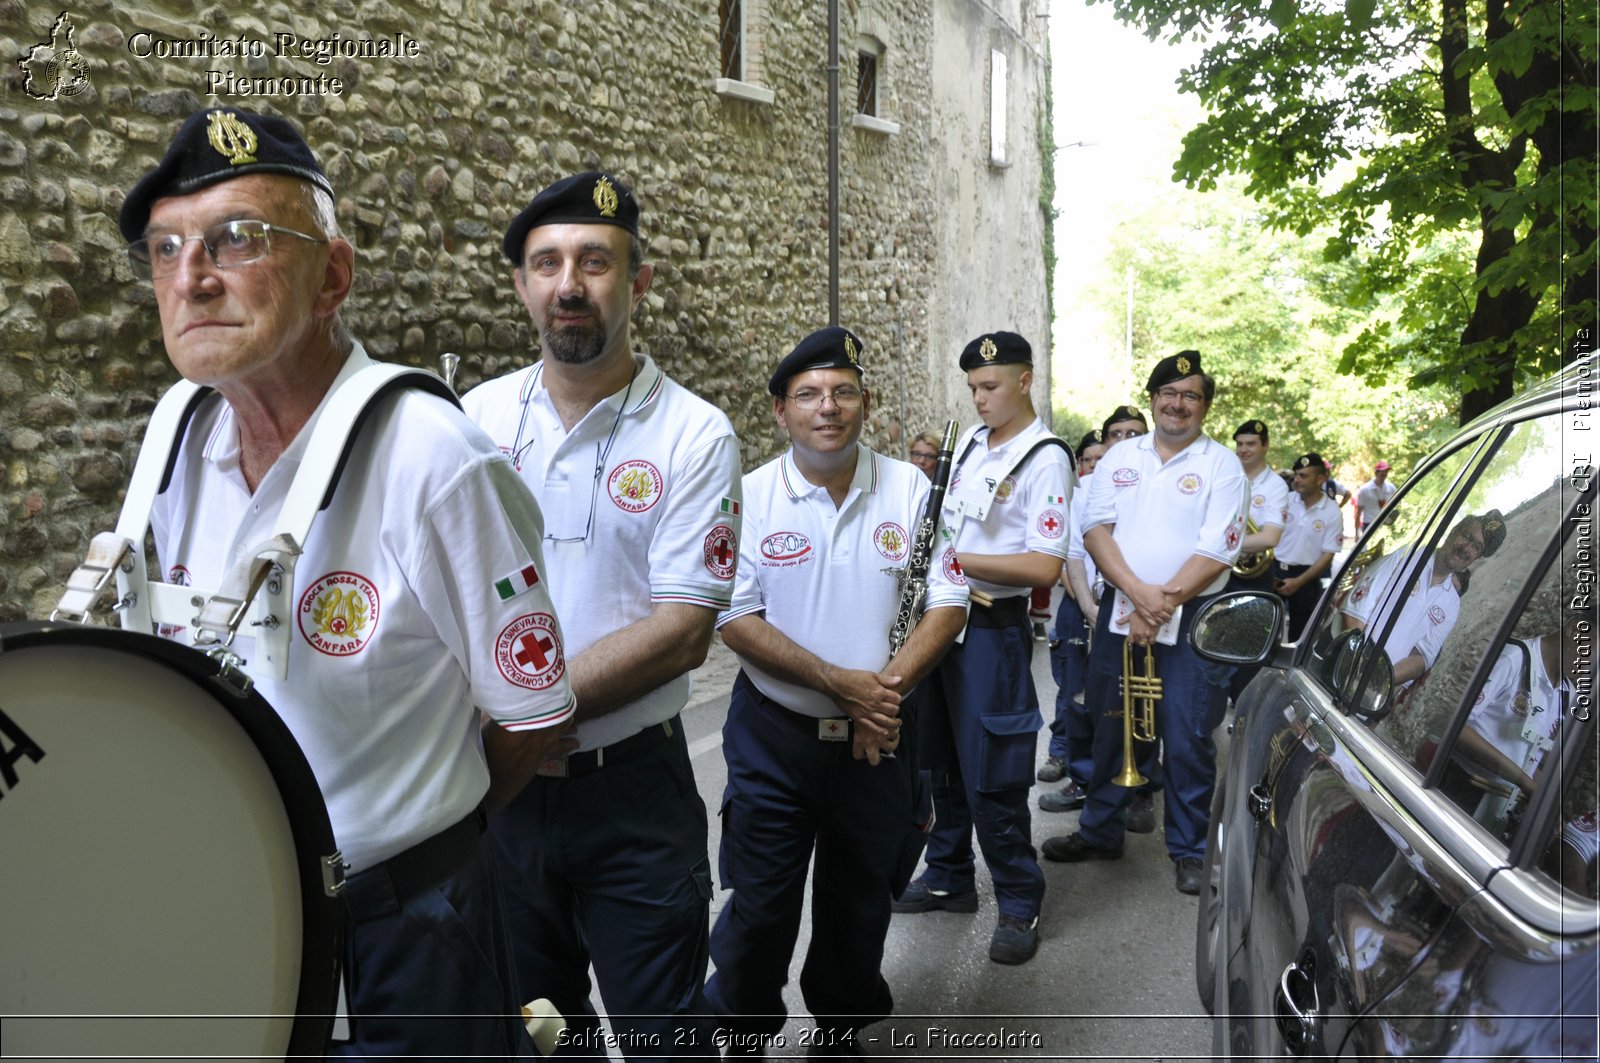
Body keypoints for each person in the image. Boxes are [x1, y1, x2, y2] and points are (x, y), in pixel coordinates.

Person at [117, 107, 575, 1057]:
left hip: (406, 933)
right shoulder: (175, 431)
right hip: (221, 913)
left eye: (237, 239)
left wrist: (421, 844)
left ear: (333, 276)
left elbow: (532, 713)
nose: (192, 277)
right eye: (166, 249)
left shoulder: (433, 457)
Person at [463, 171, 742, 1056]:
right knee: (538, 1035)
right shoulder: (471, 419)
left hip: (631, 797)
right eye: (545, 263)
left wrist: (529, 707)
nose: (568, 283)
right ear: (521, 285)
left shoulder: (694, 433)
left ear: (639, 281)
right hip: (499, 799)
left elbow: (683, 630)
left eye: (594, 261)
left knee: (666, 1038)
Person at [707, 326, 968, 1057]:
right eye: (809, 395)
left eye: (844, 391)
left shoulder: (911, 486)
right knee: (759, 906)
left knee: (859, 905)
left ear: (867, 402)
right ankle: (744, 1030)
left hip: (880, 735)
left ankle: (841, 1030)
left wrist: (882, 696)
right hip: (775, 737)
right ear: (780, 411)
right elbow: (734, 615)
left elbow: (948, 600)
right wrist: (841, 686)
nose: (829, 407)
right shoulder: (748, 495)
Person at [892, 330, 1073, 966]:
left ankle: (1020, 897)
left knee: (992, 772)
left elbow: (1045, 565)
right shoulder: (969, 442)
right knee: (936, 759)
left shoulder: (1045, 456)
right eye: (972, 388)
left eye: (990, 387)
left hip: (991, 629)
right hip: (942, 620)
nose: (979, 399)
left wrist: (950, 558)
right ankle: (948, 876)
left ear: (1025, 381)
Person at [1041, 350, 1247, 896]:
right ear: (1154, 398)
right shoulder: (1118, 457)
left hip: (1195, 614)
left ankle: (1190, 847)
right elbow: (1095, 529)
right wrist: (1137, 598)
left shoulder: (1221, 464)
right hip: (1122, 609)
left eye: (1191, 396)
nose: (1178, 404)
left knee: (1186, 732)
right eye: (1169, 394)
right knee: (1110, 721)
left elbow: (1218, 550)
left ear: (1204, 406)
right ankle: (1100, 830)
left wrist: (1161, 605)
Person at [1342, 510, 1505, 687]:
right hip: (1339, 667)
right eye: (1466, 536)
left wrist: (1378, 680)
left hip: (1372, 692)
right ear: (1454, 531)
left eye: (1476, 547)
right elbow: (1355, 613)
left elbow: (1422, 657)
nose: (1466, 548)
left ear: (1477, 557)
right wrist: (1357, 667)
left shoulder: (1452, 604)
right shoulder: (1406, 557)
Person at [1038, 428, 1107, 787]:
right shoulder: (1070, 497)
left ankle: (1098, 759)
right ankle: (1060, 751)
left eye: (1101, 459)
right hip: (1076, 602)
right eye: (1088, 460)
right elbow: (1064, 556)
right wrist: (1084, 601)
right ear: (1079, 464)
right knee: (1070, 684)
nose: (1094, 465)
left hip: (1111, 605)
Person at [1222, 419, 1289, 707]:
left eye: (1250, 444)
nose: (1243, 450)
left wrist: (1221, 546)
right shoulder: (1227, 476)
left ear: (1265, 446)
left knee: (1248, 644)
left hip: (1254, 575)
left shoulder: (1275, 486)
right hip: (1222, 570)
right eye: (1239, 444)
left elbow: (1270, 537)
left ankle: (1242, 708)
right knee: (1217, 637)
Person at [1274, 453, 1344, 641]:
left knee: (1300, 635)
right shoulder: (1284, 500)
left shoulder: (1331, 511)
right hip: (1274, 572)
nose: (1296, 480)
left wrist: (1298, 582)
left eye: (1303, 476)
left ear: (1321, 479)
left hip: (1307, 578)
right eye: (1296, 475)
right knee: (1265, 627)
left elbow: (1328, 555)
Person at [1355, 460, 1397, 535]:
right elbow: (1358, 511)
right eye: (1382, 473)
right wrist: (1356, 533)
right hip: (1370, 525)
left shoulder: (1391, 488)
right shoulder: (1365, 489)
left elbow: (1398, 505)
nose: (1384, 475)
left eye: (1386, 472)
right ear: (1376, 473)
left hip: (1386, 525)